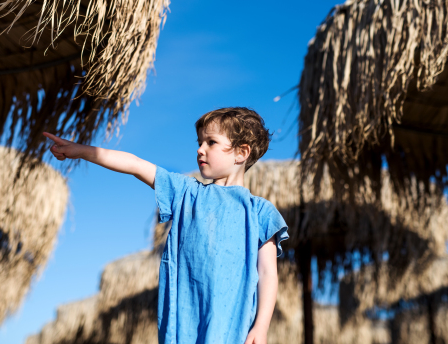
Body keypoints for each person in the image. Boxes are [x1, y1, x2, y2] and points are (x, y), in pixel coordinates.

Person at [43, 107, 288, 344]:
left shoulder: (260, 212)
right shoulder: (186, 193)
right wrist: (81, 150)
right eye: (199, 143)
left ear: (241, 153)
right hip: (182, 322)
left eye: (210, 142)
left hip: (233, 326)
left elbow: (267, 273)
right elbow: (135, 165)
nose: (200, 150)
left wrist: (261, 326)